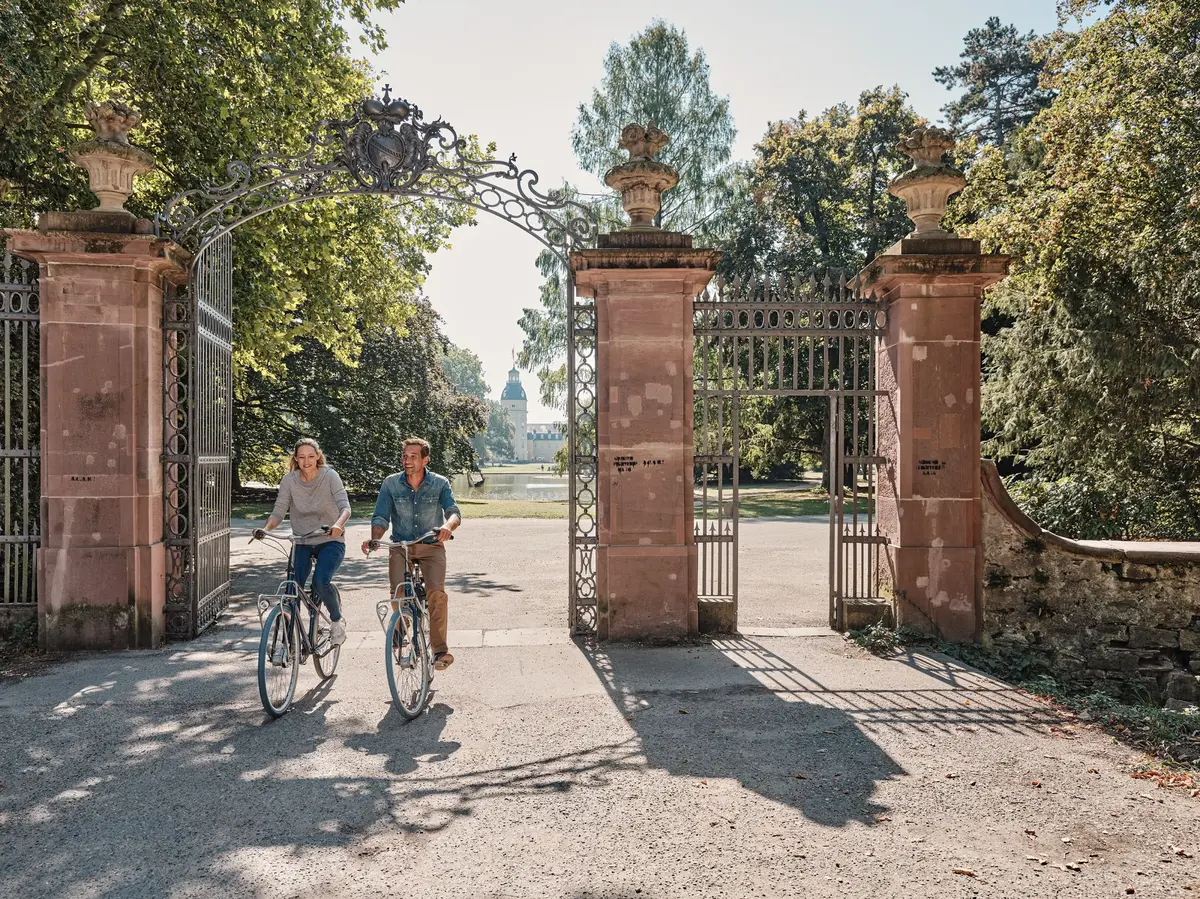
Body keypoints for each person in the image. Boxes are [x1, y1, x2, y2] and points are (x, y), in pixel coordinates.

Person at [362, 437, 461, 670]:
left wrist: (448, 527)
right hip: (401, 546)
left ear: (425, 459)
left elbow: (453, 512)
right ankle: (402, 624)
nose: (407, 460)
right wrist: (376, 538)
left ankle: (439, 652)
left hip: (431, 545)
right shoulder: (390, 484)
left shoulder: (439, 483)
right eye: (405, 456)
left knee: (436, 593)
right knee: (398, 593)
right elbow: (380, 517)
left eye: (413, 456)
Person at [256, 437, 352, 645]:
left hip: (330, 540)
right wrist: (265, 530)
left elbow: (345, 507)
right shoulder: (289, 480)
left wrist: (338, 525)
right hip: (301, 541)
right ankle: (291, 640)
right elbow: (278, 512)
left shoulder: (330, 476)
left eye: (310, 456)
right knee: (292, 587)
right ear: (296, 459)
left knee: (320, 581)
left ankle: (336, 621)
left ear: (318, 456)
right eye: (301, 457)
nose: (306, 461)